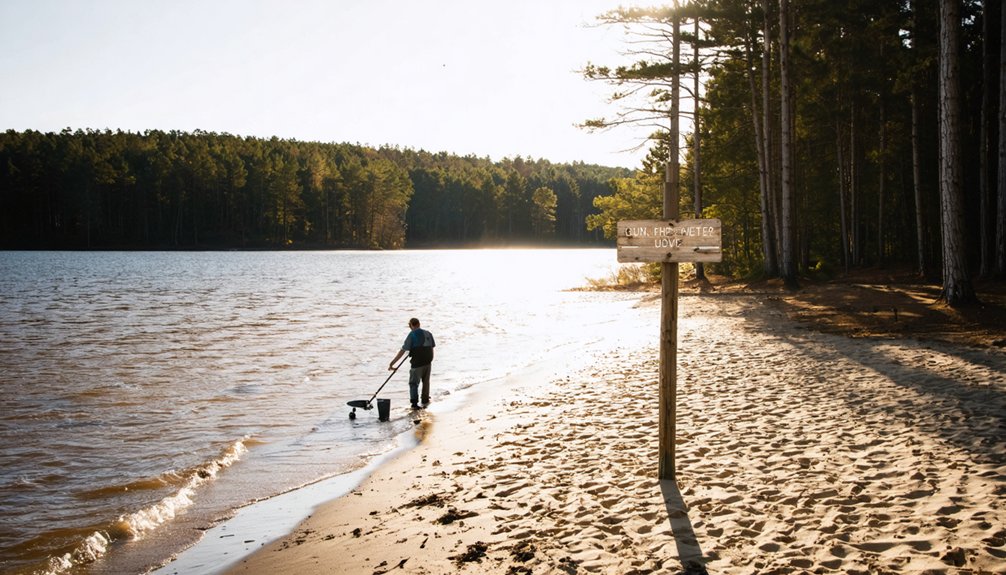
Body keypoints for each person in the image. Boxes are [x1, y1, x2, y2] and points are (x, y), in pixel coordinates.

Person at [390, 318, 435, 408]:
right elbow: (432, 348)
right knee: (426, 382)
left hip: (417, 363)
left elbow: (403, 351)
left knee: (413, 383)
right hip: (428, 362)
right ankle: (425, 399)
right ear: (419, 324)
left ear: (411, 325)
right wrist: (430, 360)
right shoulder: (428, 333)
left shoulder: (412, 334)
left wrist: (392, 363)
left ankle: (414, 403)